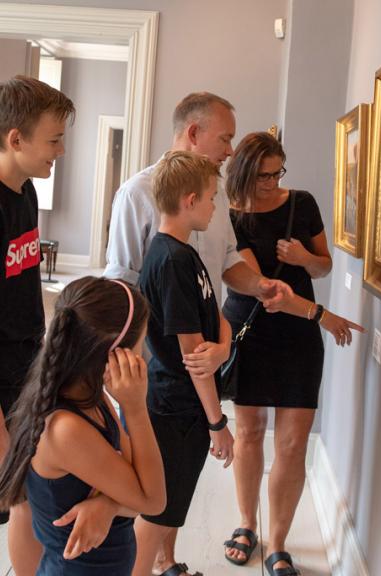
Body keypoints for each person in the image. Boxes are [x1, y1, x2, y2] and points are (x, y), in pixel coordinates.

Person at [104, 92, 291, 576]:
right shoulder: (136, 195)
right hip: (163, 372)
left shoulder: (214, 199)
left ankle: (166, 560)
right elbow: (121, 282)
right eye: (225, 137)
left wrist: (261, 289)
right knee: (153, 487)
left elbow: (226, 269)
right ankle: (149, 562)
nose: (231, 149)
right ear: (194, 133)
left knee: (175, 484)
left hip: (197, 368)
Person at [218, 132, 364, 576]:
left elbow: (325, 265)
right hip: (249, 328)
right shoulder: (230, 213)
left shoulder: (302, 203)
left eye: (278, 172)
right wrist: (322, 314)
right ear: (243, 169)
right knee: (248, 432)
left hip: (297, 337)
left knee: (293, 442)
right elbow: (267, 291)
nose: (271, 181)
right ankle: (247, 524)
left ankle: (278, 541)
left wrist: (303, 257)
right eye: (263, 174)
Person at [0, 276, 166, 574]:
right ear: (116, 355)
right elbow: (153, 500)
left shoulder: (94, 397)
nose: (146, 355)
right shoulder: (66, 429)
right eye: (142, 344)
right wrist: (136, 408)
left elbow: (137, 483)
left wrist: (108, 505)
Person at [133, 152, 234, 576]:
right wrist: (217, 423)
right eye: (212, 198)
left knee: (172, 501)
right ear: (190, 200)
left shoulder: (184, 254)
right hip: (176, 405)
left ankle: (165, 563)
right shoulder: (171, 261)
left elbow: (219, 319)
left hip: (184, 403)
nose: (215, 206)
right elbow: (195, 359)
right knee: (157, 508)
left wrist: (224, 348)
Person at [0, 75, 75, 574]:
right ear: (15, 139)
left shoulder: (25, 190)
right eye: (54, 139)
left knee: (26, 492)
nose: (61, 151)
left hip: (26, 361)